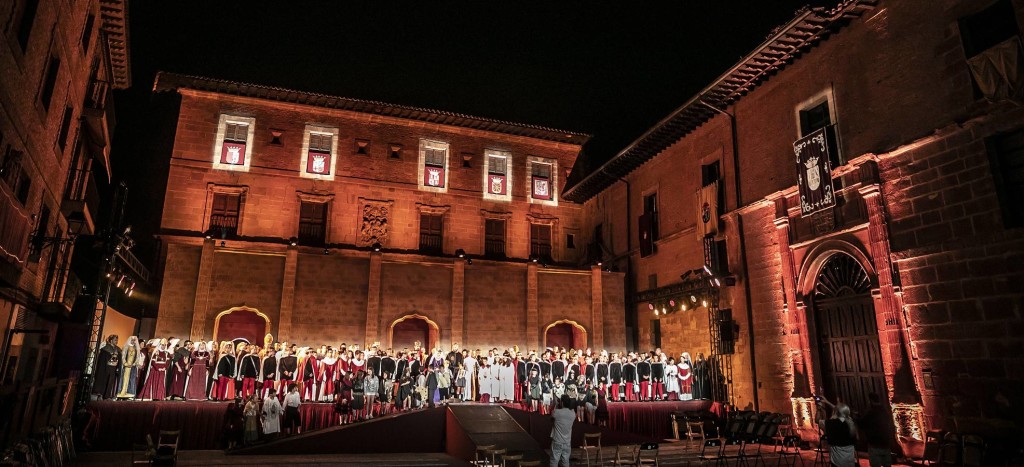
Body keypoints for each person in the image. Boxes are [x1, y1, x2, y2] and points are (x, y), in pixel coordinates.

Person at [817, 395, 857, 467]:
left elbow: (817, 420)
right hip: (850, 460)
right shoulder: (849, 421)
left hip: (837, 461)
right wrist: (827, 402)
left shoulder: (830, 423)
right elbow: (842, 412)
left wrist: (819, 409)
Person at [862, 393, 895, 467]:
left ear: (871, 401)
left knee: (876, 464)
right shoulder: (885, 411)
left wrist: (857, 418)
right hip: (885, 441)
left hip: (874, 442)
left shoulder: (871, 412)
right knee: (887, 464)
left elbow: (863, 423)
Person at [550, 395, 576, 467]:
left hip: (557, 440)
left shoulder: (557, 412)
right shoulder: (573, 414)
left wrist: (556, 405)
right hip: (567, 441)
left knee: (554, 461)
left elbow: (551, 417)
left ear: (562, 402)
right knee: (565, 461)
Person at [94, 335, 121, 399]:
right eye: (115, 340)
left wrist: (118, 367)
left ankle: (107, 395)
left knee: (111, 381)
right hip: (106, 367)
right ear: (111, 340)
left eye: (117, 340)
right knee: (104, 380)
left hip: (113, 368)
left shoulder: (118, 349)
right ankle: (101, 393)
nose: (116, 341)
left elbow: (119, 358)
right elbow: (102, 360)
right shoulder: (105, 349)